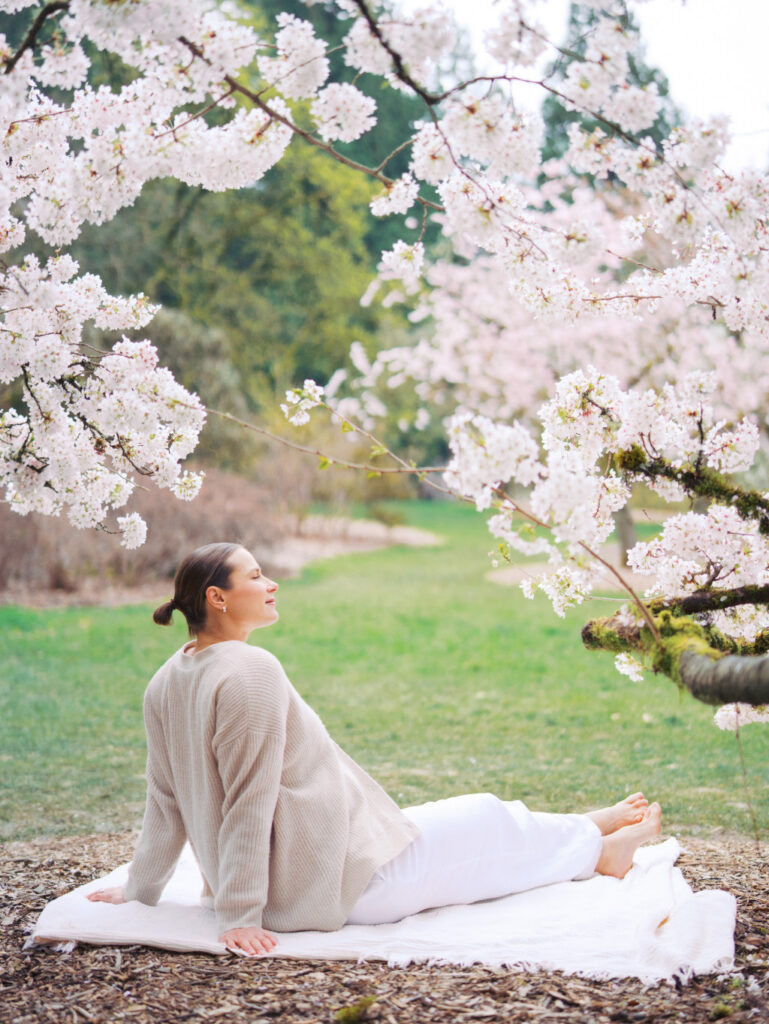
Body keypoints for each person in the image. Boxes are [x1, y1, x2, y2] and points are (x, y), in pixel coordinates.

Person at [88, 542, 662, 957]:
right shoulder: (249, 671)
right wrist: (238, 916)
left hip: (330, 851)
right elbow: (248, 799)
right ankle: (597, 853)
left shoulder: (168, 678)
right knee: (487, 822)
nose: (271, 585)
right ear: (217, 597)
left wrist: (141, 890)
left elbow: (164, 801)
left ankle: (584, 826)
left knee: (488, 820)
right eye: (257, 576)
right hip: (336, 883)